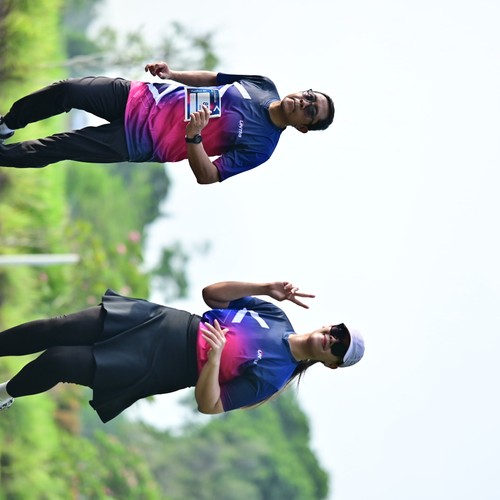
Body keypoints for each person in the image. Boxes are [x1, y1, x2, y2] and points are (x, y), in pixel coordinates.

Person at [0, 281, 364, 422]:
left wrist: (215, 359)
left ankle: (5, 393)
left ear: (331, 364)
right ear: (328, 325)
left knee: (58, 360)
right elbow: (212, 295)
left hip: (161, 366)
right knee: (56, 327)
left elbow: (210, 404)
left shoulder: (273, 378)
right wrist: (265, 288)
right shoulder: (276, 316)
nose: (332, 339)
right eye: (337, 332)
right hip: (163, 322)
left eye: (339, 347)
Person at [0, 62, 335, 183]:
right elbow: (213, 78)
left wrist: (194, 138)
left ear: (303, 128)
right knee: (68, 90)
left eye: (311, 111)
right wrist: (173, 74)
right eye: (309, 96)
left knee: (59, 146)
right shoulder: (263, 84)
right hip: (140, 96)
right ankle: (6, 124)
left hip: (139, 140)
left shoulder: (262, 147)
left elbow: (209, 176)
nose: (303, 102)